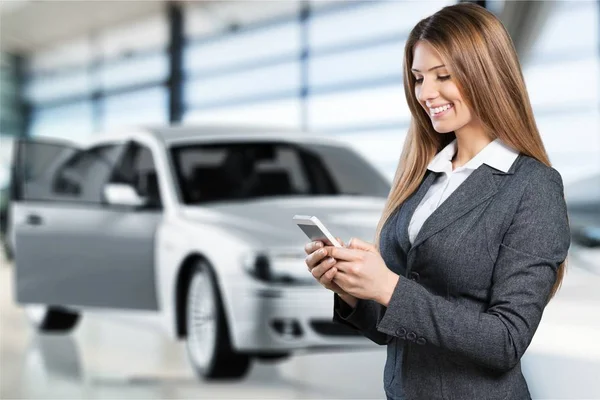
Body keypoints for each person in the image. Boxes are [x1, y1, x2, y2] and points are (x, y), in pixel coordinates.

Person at [304, 3, 570, 400]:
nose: (426, 94)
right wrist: (354, 291)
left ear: (486, 74)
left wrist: (390, 288)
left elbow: (506, 341)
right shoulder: (423, 177)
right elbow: (395, 328)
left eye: (443, 76)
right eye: (418, 78)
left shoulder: (533, 187)